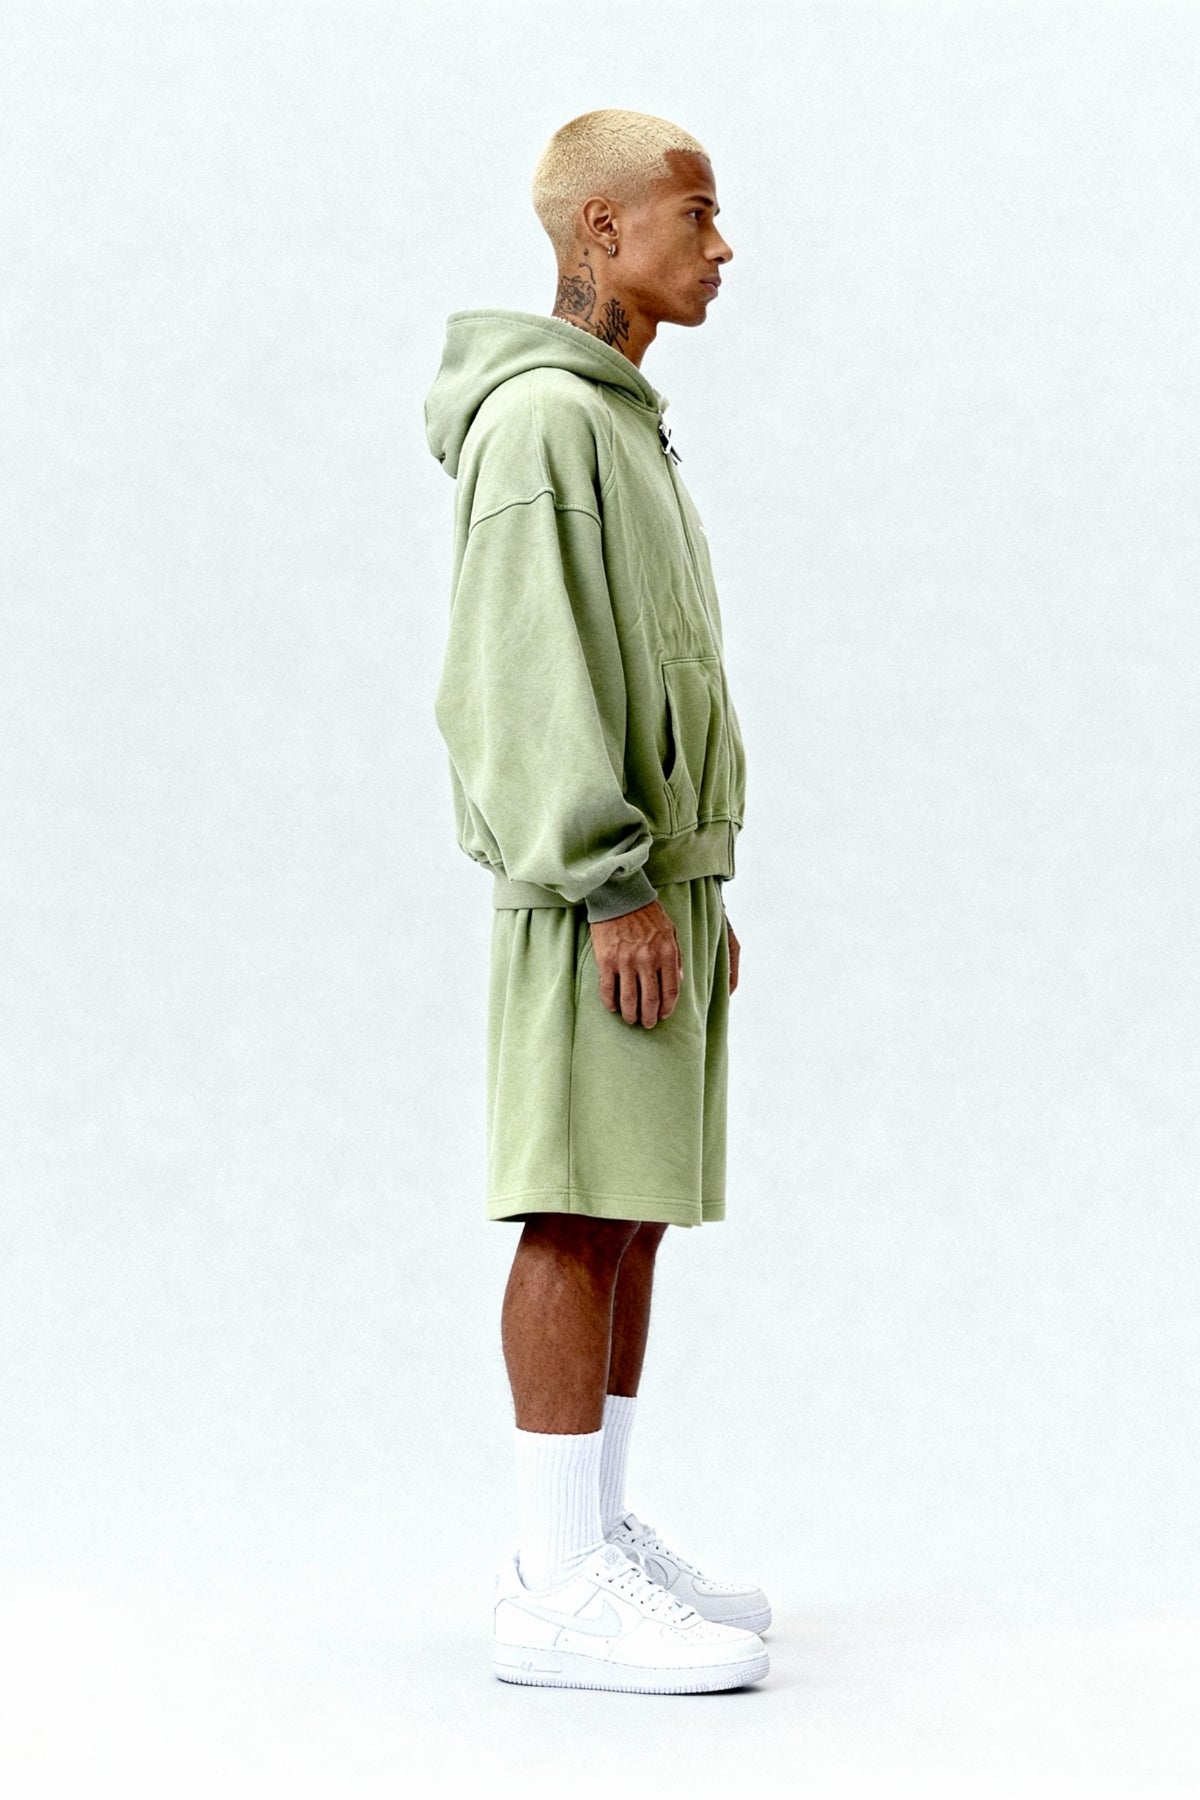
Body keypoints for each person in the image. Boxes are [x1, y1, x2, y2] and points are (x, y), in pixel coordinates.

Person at [425, 108, 769, 1694]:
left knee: (629, 1207)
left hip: (653, 888)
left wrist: (694, 886)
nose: (722, 246)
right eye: (695, 213)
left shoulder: (625, 423)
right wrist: (610, 879)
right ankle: (554, 1584)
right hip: (594, 896)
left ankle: (598, 1532)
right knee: (571, 1207)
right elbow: (516, 684)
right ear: (600, 234)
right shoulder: (542, 425)